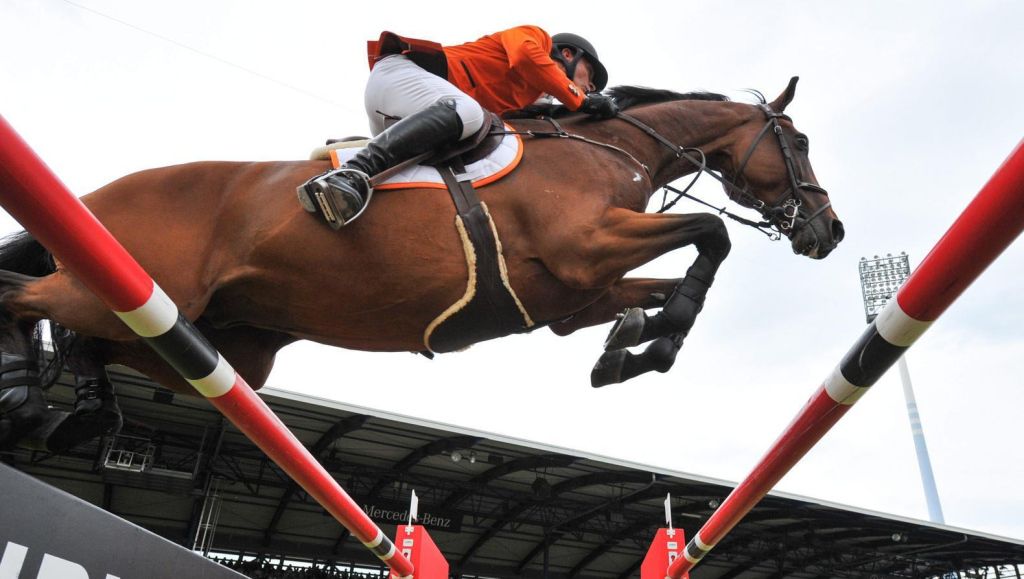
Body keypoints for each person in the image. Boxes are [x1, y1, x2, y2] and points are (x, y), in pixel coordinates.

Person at [297, 26, 618, 229]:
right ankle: (354, 171)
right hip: (399, 75)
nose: (590, 86)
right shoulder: (535, 36)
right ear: (567, 55)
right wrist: (582, 101)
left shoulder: (531, 95)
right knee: (470, 113)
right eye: (589, 76)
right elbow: (524, 57)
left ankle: (349, 160)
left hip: (404, 114)